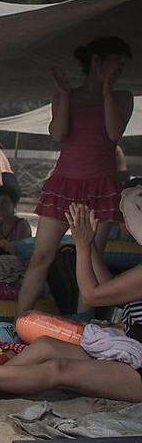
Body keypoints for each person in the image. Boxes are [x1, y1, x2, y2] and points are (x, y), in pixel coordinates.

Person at [0, 200, 142, 403]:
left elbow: (92, 295)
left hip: (137, 370)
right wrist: (90, 245)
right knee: (45, 346)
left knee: (58, 370)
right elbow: (109, 289)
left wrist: (82, 246)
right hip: (130, 348)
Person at [17, 37, 134, 315]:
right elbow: (57, 135)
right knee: (41, 257)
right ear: (96, 62)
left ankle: (84, 329)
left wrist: (106, 90)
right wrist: (65, 96)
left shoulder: (122, 98)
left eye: (121, 66)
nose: (119, 71)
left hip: (101, 187)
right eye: (115, 64)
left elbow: (114, 133)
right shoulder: (66, 96)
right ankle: (17, 323)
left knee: (91, 260)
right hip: (63, 185)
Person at [0, 184, 31, 255]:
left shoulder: (21, 225)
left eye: (5, 202)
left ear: (14, 205)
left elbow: (16, 252)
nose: (0, 206)